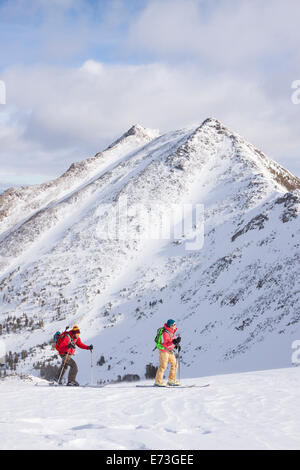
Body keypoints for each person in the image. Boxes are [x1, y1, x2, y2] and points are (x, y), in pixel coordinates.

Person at [154, 319, 181, 387]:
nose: (175, 326)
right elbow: (166, 344)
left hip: (169, 351)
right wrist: (174, 342)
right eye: (173, 325)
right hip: (163, 351)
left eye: (175, 324)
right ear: (170, 326)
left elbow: (172, 342)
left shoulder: (172, 332)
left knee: (174, 364)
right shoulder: (165, 333)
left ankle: (171, 380)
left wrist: (176, 345)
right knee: (163, 366)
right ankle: (158, 381)